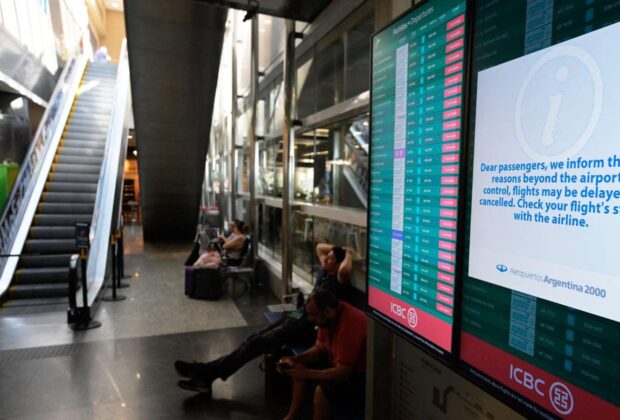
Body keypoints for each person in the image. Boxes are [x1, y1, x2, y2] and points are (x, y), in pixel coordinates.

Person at [175, 243, 355, 395]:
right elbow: (319, 247)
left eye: (331, 258)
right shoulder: (325, 272)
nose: (326, 259)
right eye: (327, 257)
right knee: (254, 338)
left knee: (257, 343)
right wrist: (338, 249)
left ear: (337, 264)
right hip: (298, 315)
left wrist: (349, 254)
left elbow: (346, 269)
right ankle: (207, 373)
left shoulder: (339, 280)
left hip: (307, 325)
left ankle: (206, 373)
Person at [278, 289, 367, 420]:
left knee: (321, 392)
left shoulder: (350, 325)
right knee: (297, 367)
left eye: (314, 315)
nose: (310, 319)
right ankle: (291, 416)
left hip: (358, 377)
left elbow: (343, 373)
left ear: (328, 312)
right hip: (338, 363)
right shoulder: (328, 318)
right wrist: (296, 360)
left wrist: (307, 373)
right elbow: (320, 348)